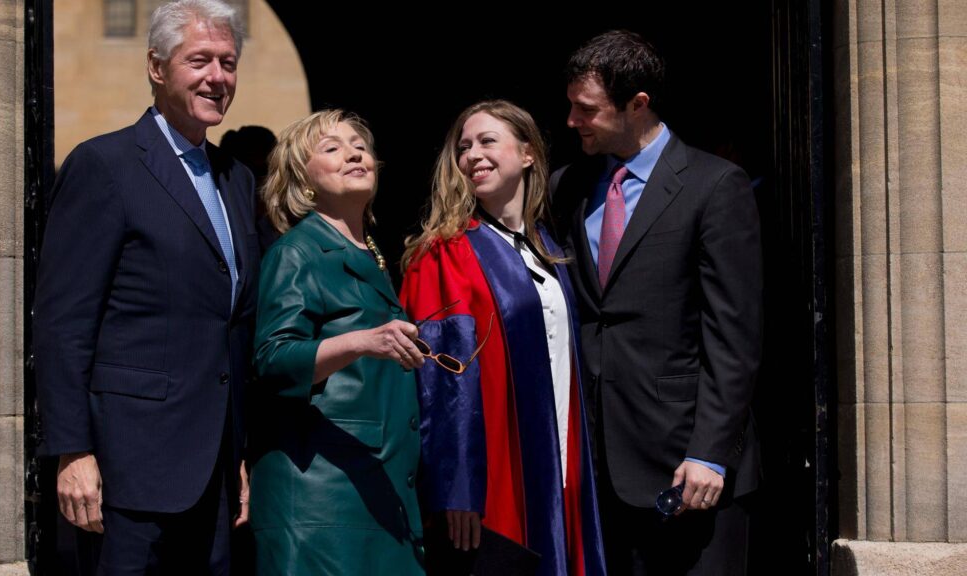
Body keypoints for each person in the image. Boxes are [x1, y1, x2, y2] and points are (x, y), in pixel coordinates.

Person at [33, 0, 258, 572]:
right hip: (128, 471)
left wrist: (236, 451)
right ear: (157, 67)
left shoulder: (237, 179)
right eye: (199, 60)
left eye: (228, 63)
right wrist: (72, 450)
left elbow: (229, 324)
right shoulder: (105, 165)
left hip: (212, 474)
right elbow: (64, 322)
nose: (217, 77)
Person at [551, 30, 763, 575]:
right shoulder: (567, 187)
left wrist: (710, 451)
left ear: (637, 104)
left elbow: (734, 336)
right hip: (597, 467)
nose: (572, 120)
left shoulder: (715, 185)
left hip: (687, 467)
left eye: (587, 109)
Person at [401, 100, 605, 576]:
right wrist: (456, 487)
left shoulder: (547, 247)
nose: (473, 155)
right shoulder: (446, 253)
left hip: (564, 463)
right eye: (464, 147)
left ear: (527, 153)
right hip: (495, 476)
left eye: (487, 141)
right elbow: (440, 383)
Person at [249, 109, 426, 575]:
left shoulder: (374, 253)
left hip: (378, 489)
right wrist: (363, 341)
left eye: (360, 147)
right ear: (302, 180)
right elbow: (273, 359)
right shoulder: (296, 252)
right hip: (320, 499)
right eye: (332, 148)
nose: (353, 154)